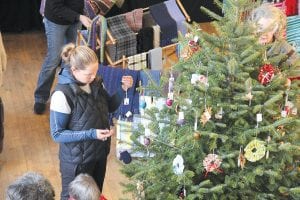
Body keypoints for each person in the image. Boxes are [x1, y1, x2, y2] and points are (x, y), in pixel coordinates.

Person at [50, 43, 133, 199]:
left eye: (95, 72)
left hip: (99, 154)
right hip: (76, 162)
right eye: (89, 74)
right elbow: (57, 134)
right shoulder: (61, 95)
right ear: (74, 70)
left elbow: (109, 106)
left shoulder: (96, 83)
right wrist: (92, 134)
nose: (93, 77)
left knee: (95, 195)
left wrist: (123, 90)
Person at [34, 0, 92, 114]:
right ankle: (40, 98)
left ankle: (64, 95)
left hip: (75, 20)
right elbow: (55, 6)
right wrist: (79, 17)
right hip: (56, 21)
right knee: (53, 60)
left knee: (70, 60)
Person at [249, 3, 300, 79]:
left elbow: (297, 67)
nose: (264, 33)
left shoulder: (283, 47)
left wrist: (284, 78)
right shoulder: (247, 44)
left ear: (276, 29)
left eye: (270, 29)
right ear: (254, 26)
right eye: (261, 27)